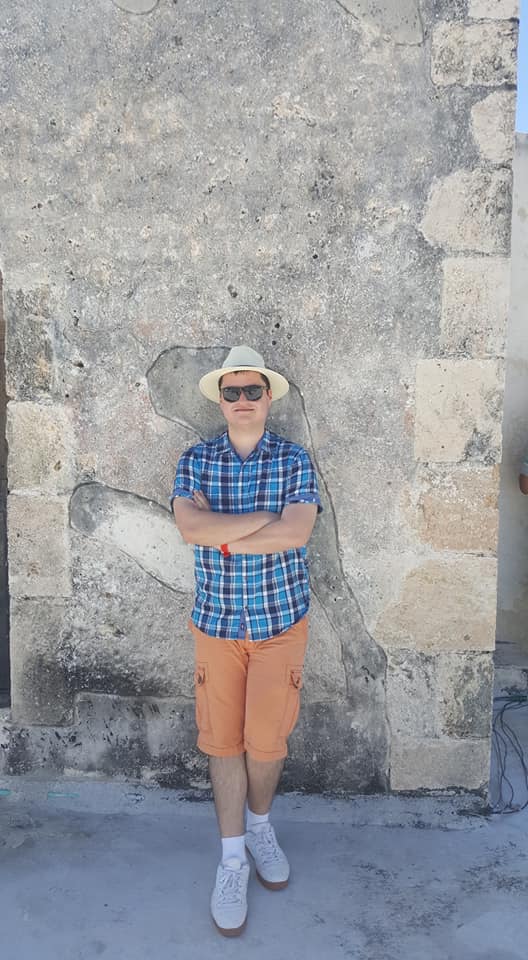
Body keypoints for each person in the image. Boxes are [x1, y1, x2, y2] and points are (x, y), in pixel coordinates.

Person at [171, 345, 322, 937]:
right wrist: (263, 521)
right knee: (221, 744)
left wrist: (224, 536)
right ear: (221, 399)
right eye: (230, 392)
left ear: (266, 396)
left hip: (280, 622)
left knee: (266, 743)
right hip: (217, 625)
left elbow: (298, 532)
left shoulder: (293, 459)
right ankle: (233, 856)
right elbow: (188, 527)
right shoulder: (195, 460)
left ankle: (260, 824)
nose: (240, 401)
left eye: (250, 391)